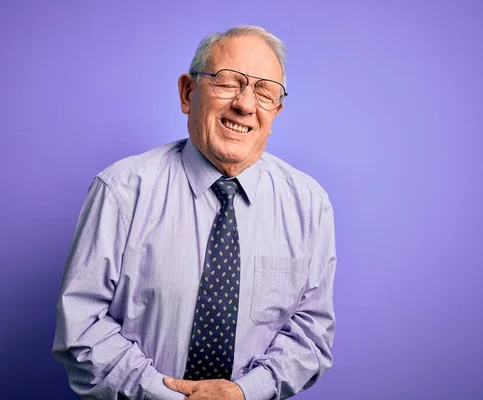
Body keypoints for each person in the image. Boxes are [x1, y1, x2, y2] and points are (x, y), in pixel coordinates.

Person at [52, 25, 337, 400]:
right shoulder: (121, 190)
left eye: (264, 92)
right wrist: (165, 395)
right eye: (228, 82)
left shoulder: (309, 205)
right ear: (188, 92)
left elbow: (311, 335)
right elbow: (82, 328)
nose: (246, 105)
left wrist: (245, 392)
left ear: (276, 111)